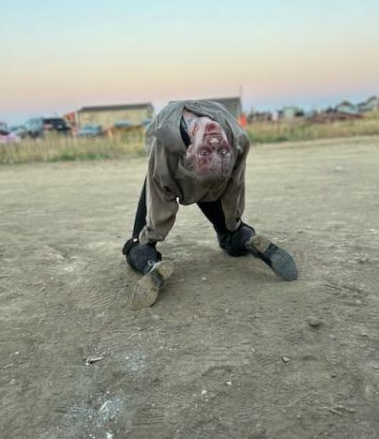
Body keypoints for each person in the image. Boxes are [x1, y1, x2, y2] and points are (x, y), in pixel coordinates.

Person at [122, 99, 298, 309]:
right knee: (231, 232)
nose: (215, 144)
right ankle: (245, 238)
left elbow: (159, 194)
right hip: (198, 179)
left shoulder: (169, 148)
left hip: (209, 179)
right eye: (206, 151)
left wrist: (149, 237)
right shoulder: (238, 139)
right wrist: (234, 223)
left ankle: (149, 263)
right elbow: (234, 187)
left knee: (138, 242)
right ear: (187, 151)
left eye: (221, 151)